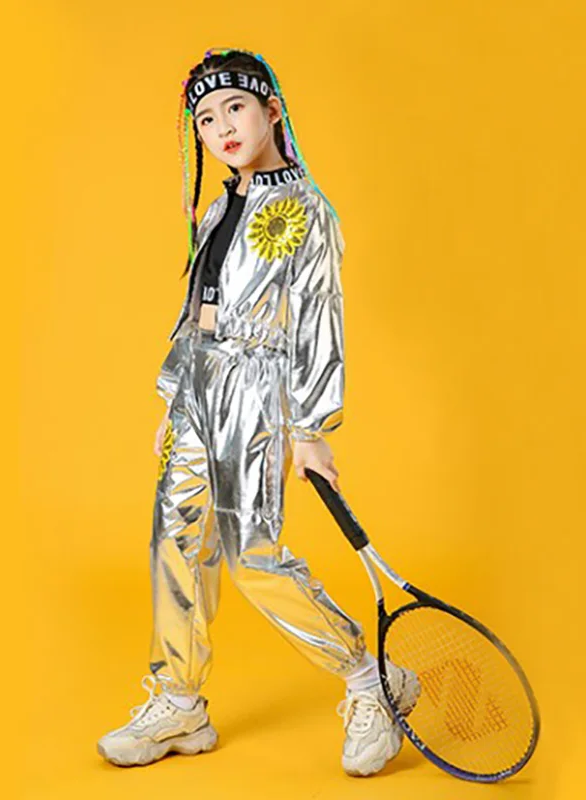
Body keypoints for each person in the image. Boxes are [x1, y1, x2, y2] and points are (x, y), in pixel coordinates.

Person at [97, 47, 420, 777]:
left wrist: (309, 429)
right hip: (198, 388)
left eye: (235, 108)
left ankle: (370, 677)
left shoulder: (307, 211)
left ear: (271, 109)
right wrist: (176, 395)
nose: (222, 128)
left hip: (257, 388)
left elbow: (319, 322)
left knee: (252, 555)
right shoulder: (217, 208)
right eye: (206, 119)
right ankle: (179, 701)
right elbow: (195, 307)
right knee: (175, 542)